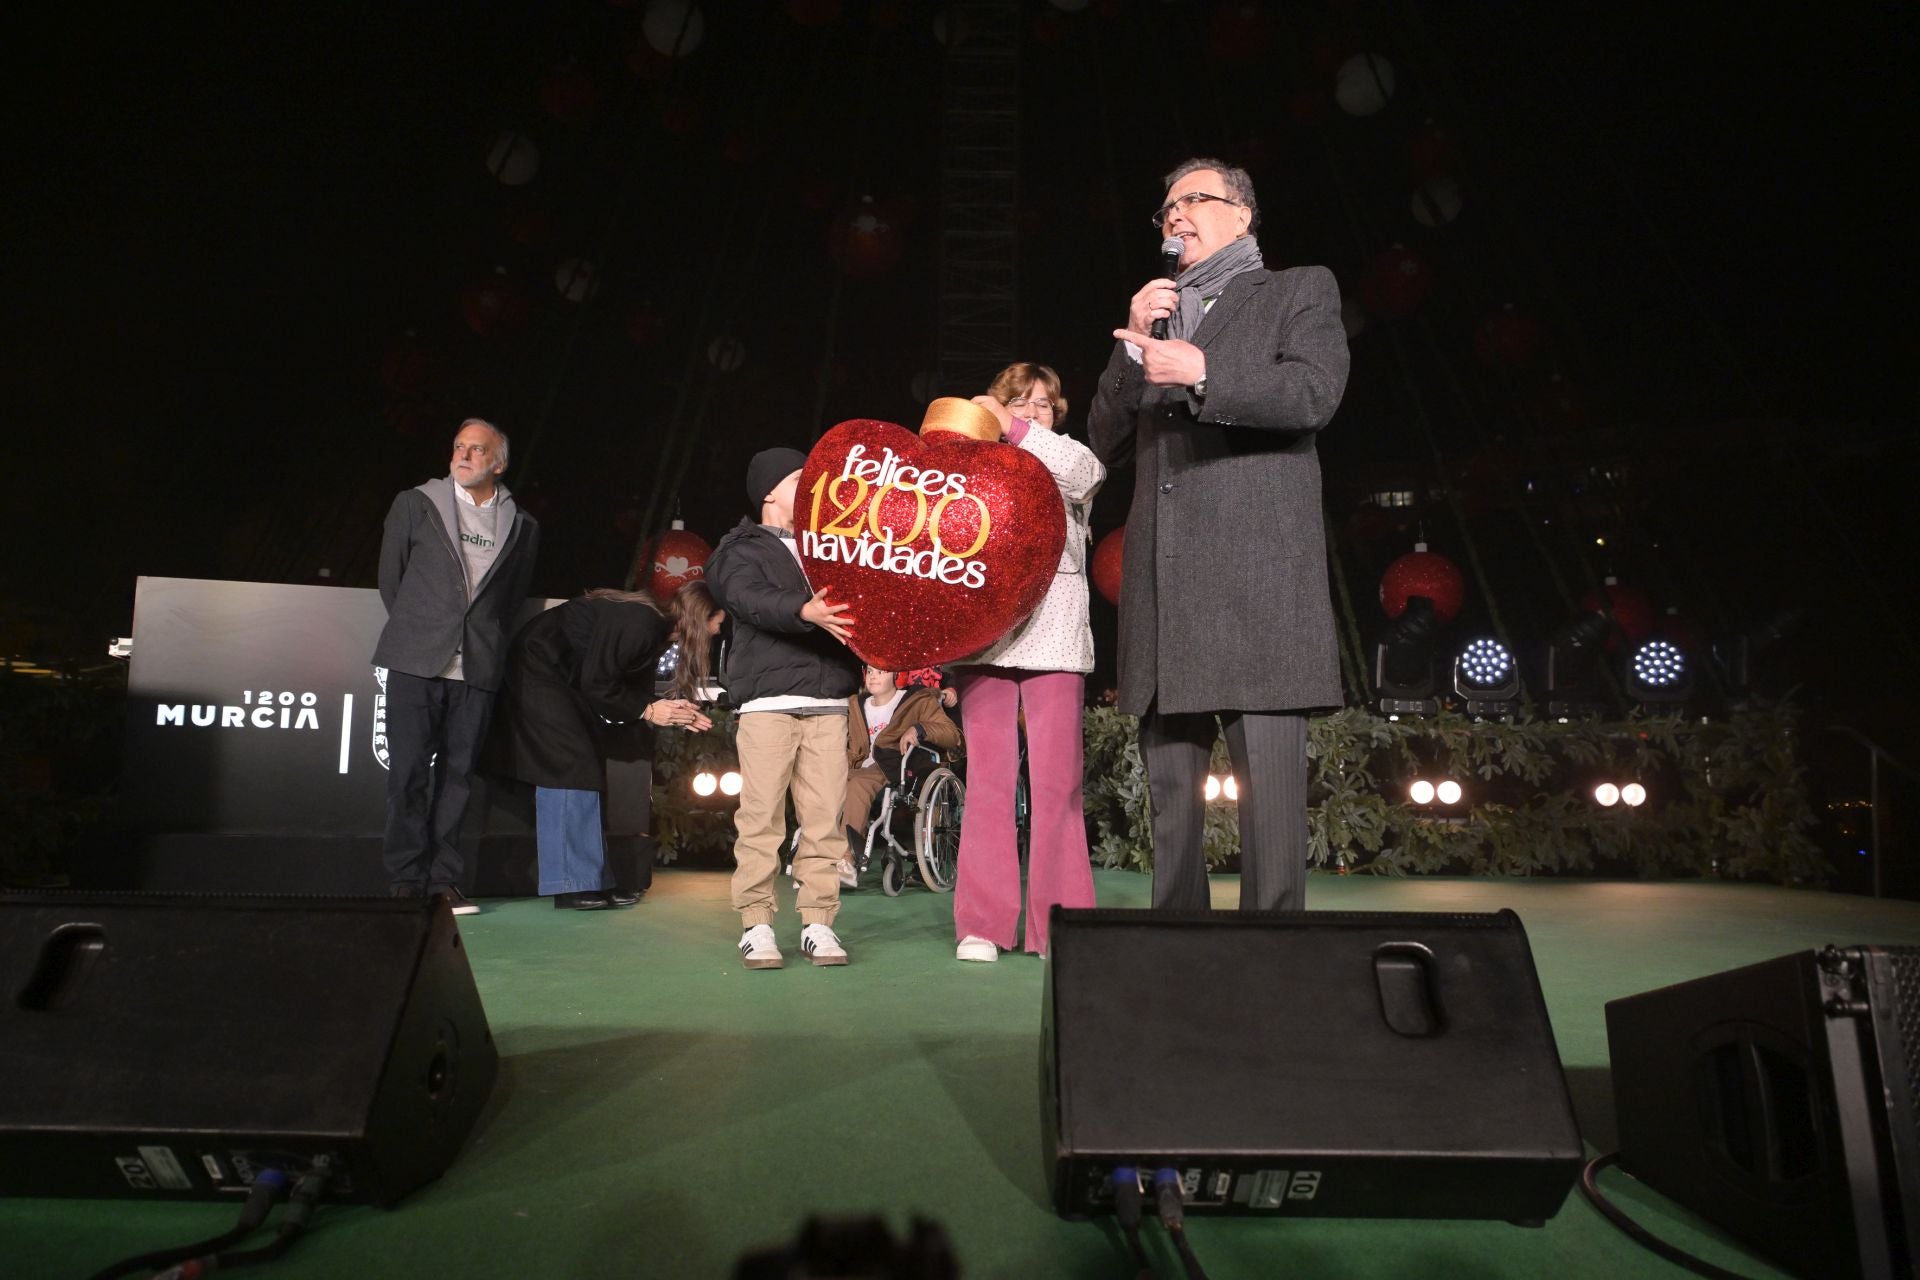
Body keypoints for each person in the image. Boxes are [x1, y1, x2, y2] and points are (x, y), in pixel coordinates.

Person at [1087, 158, 1350, 913]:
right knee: (1172, 802)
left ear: (1243, 214)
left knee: (1268, 803)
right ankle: (1178, 953)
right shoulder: (1159, 315)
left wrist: (1205, 372)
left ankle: (1274, 965)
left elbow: (1314, 392)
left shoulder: (1299, 289)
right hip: (1165, 584)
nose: (1175, 217)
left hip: (1256, 577)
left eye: (1193, 200)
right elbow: (1102, 443)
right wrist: (1132, 345)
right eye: (1166, 208)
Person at [950, 365, 1106, 961]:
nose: (1034, 411)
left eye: (1043, 404)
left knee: (1057, 786)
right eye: (1021, 402)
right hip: (984, 639)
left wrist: (1011, 425)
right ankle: (983, 926)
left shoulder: (1064, 457)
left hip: (1056, 637)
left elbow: (1089, 475)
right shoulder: (971, 461)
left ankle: (1058, 927)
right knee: (989, 785)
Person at [373, 418, 540, 915]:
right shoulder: (414, 504)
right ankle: (406, 880)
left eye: (477, 449)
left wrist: (479, 640)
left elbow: (510, 600)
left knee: (458, 777)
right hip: (415, 660)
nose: (464, 455)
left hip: (478, 669)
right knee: (406, 774)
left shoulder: (523, 525)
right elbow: (391, 580)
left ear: (498, 463)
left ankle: (442, 882)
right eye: (459, 447)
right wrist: (425, 629)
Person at [704, 446, 861, 969]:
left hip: (829, 700)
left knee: (824, 823)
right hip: (769, 703)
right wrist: (804, 609)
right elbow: (745, 597)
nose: (815, 489)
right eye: (802, 479)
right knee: (761, 819)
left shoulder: (834, 546)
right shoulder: (738, 548)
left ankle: (818, 923)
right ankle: (757, 925)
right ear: (771, 490)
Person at [486, 582, 722, 909]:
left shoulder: (655, 631)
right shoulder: (644, 622)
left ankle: (588, 880)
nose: (720, 629)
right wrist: (650, 709)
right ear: (701, 617)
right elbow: (599, 683)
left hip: (562, 678)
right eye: (718, 621)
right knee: (570, 764)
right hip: (539, 667)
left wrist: (668, 711)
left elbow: (623, 688)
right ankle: (573, 884)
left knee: (584, 766)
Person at [842, 665, 963, 886]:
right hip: (856, 765)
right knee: (822, 782)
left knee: (858, 784)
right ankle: (811, 856)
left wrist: (919, 729)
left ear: (898, 675)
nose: (874, 676)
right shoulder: (855, 704)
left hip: (891, 766)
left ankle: (846, 858)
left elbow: (951, 735)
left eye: (881, 671)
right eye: (870, 671)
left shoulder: (917, 701)